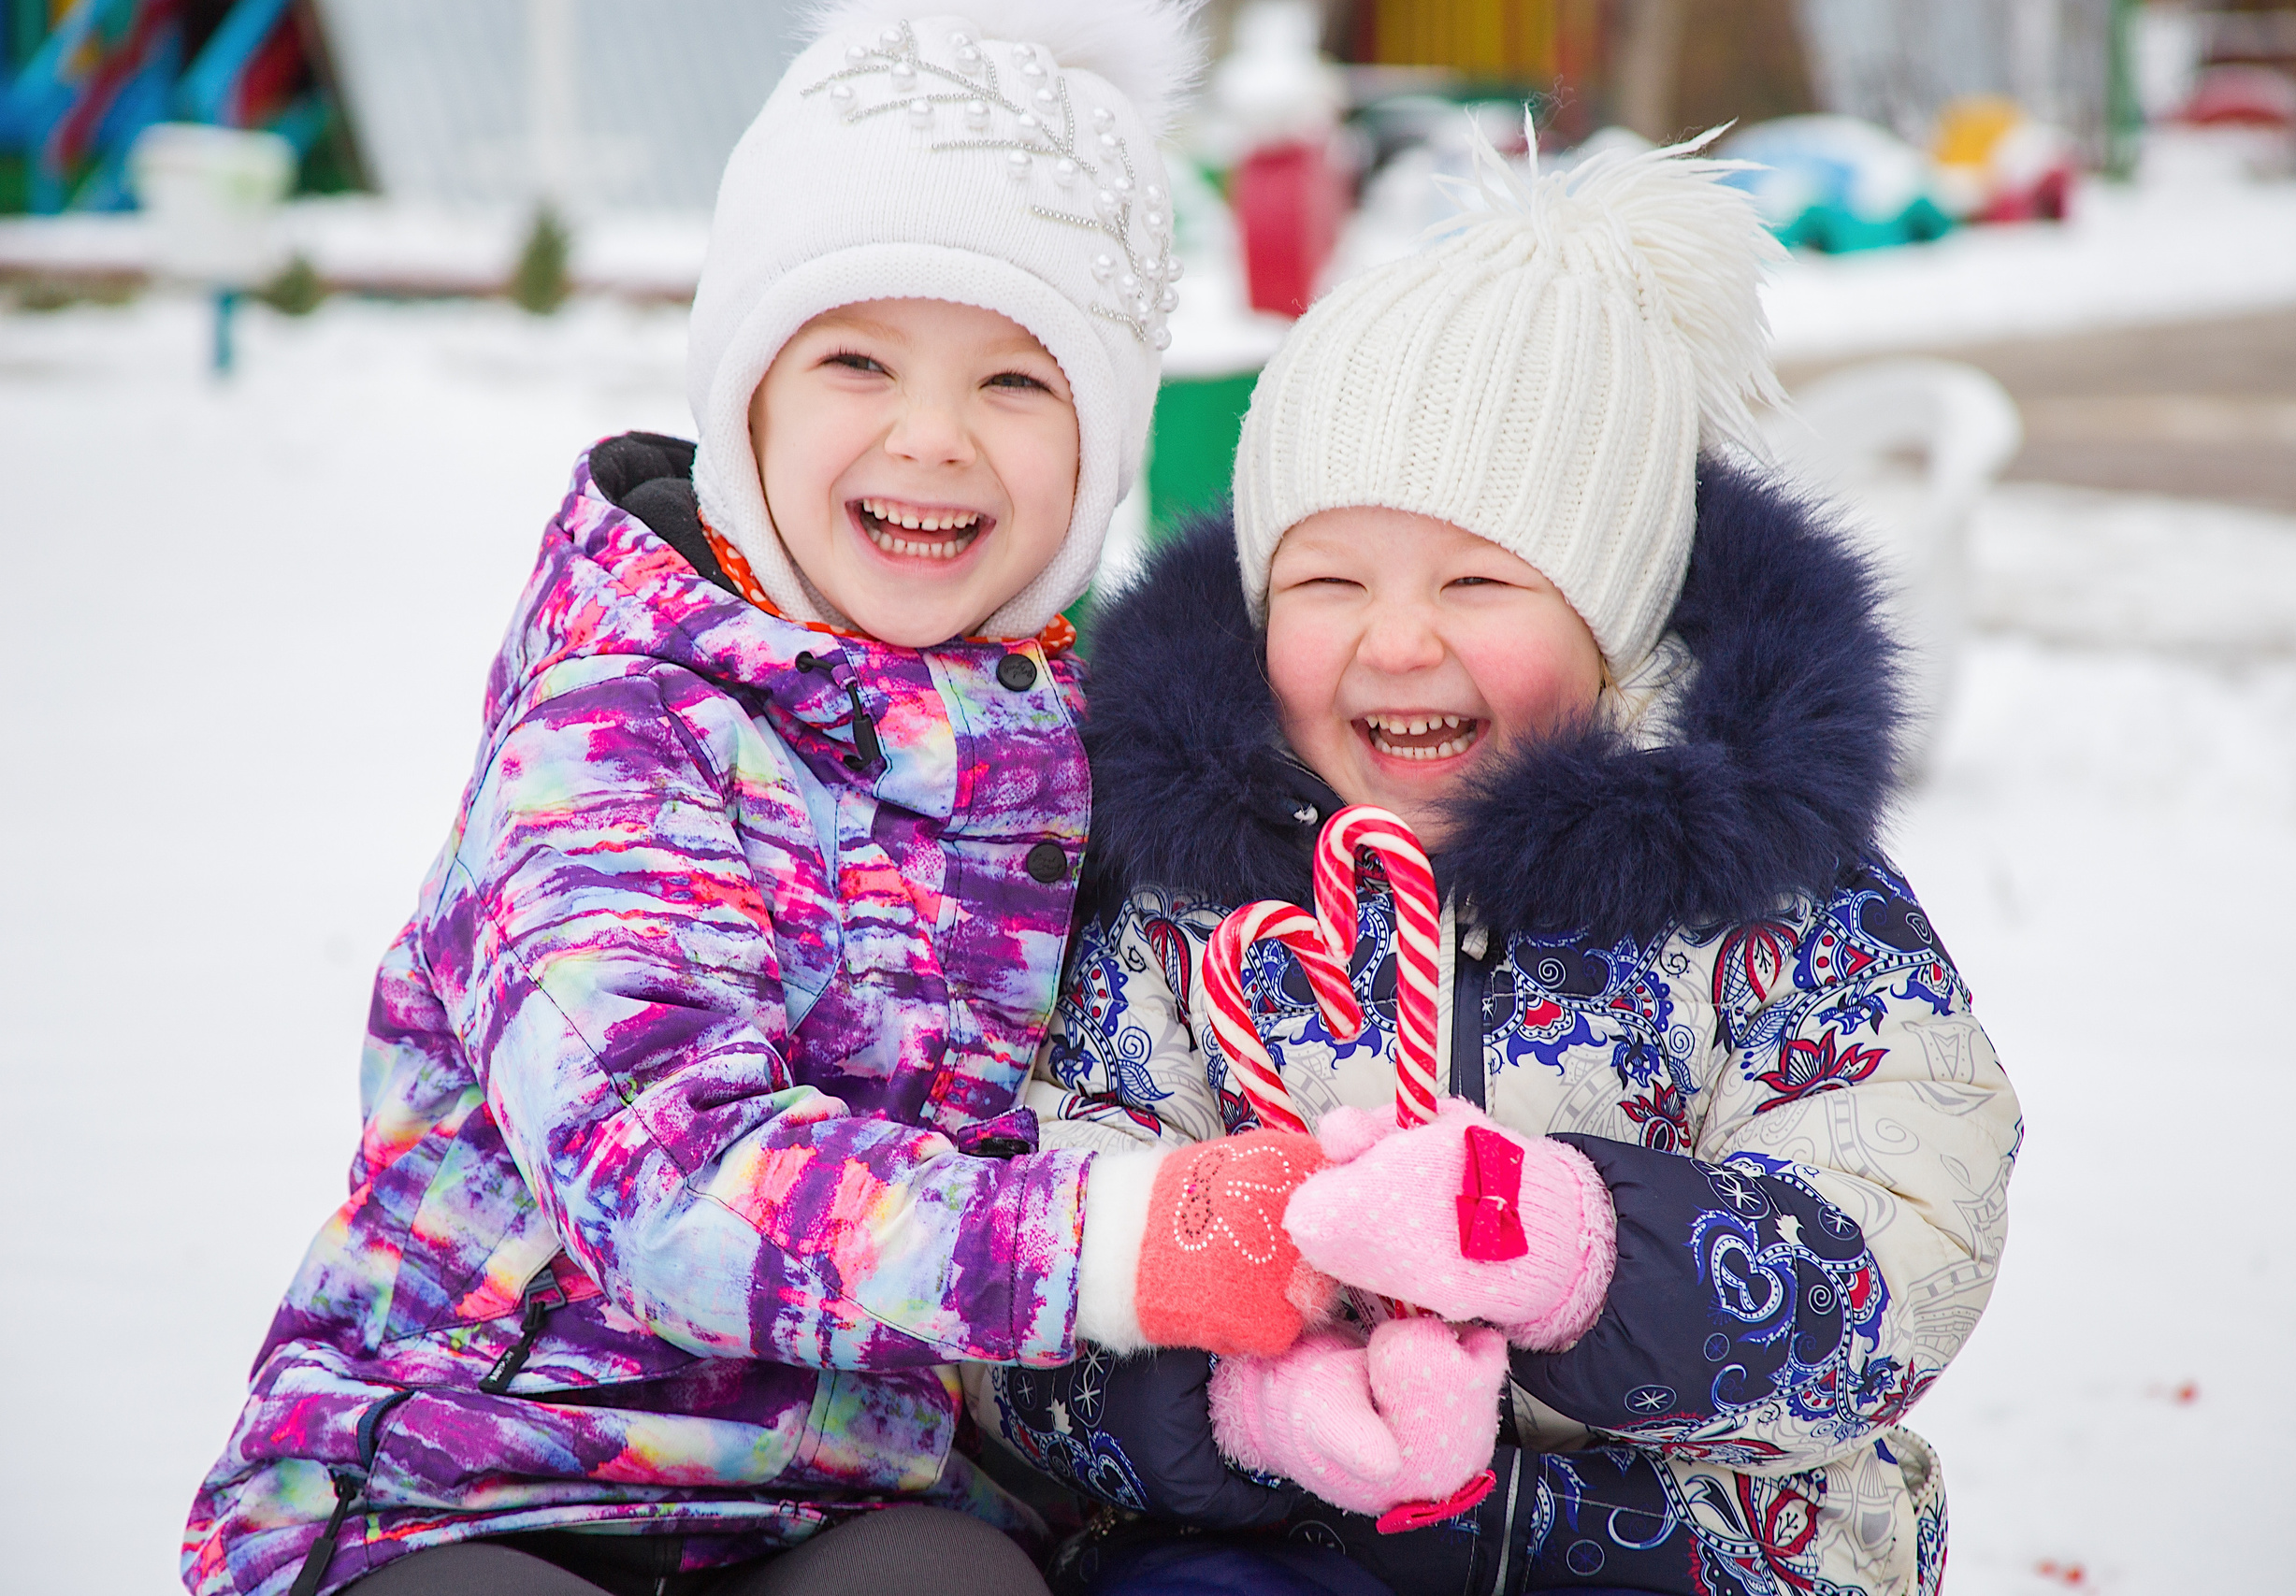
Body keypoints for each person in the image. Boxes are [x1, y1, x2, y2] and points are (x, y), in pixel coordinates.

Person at [181, 6, 1357, 1594]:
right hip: (483, 1475)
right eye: (858, 359)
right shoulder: (618, 725)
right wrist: (1116, 1243)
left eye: (1018, 380)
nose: (931, 438)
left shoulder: (1089, 759)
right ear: (747, 392)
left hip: (847, 1505)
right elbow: (663, 1182)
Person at [979, 134, 2023, 1595]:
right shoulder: (1181, 907)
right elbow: (1029, 1262)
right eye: (1330, 580)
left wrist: (1580, 1256)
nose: (1397, 641)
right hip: (1274, 1544)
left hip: (1697, 1560)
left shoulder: (1775, 904)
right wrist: (1234, 1411)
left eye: (1477, 582)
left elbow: (1902, 1246)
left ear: (1616, 619)